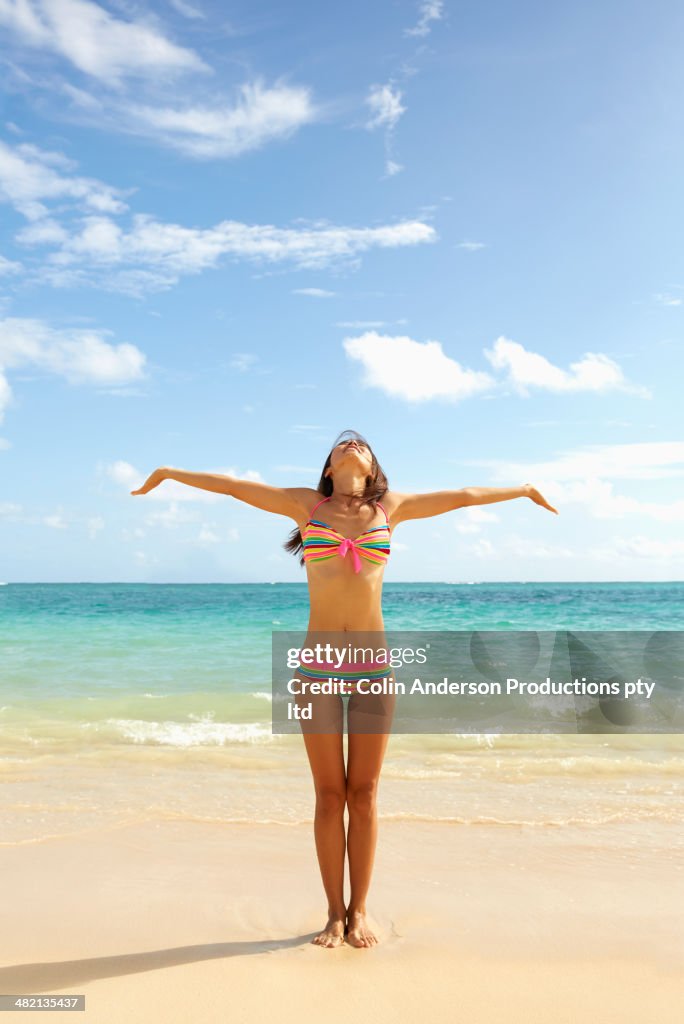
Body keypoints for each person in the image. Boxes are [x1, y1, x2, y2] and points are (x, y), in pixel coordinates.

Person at [131, 429, 558, 949]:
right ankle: (333, 912)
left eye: (361, 444)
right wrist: (170, 473)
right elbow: (233, 487)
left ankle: (360, 911)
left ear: (373, 466)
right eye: (341, 446)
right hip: (317, 669)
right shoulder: (305, 505)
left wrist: (522, 489)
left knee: (366, 794)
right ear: (329, 469)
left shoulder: (390, 508)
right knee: (330, 797)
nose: (352, 445)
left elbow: (463, 496)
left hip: (375, 668)